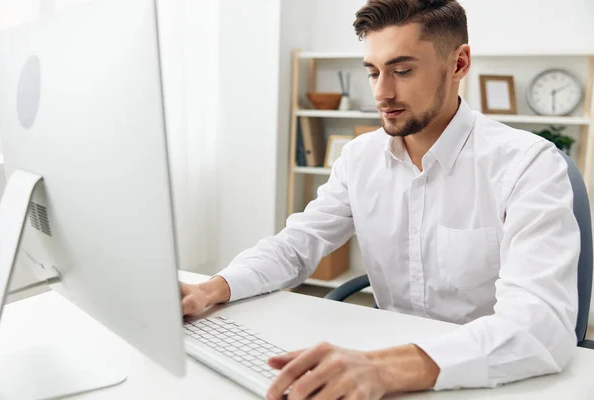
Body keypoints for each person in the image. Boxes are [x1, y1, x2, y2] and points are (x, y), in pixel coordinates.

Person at [180, 0, 580, 398]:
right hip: (382, 366)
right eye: (372, 72)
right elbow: (295, 247)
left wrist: (383, 368)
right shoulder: (360, 158)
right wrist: (211, 289)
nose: (382, 93)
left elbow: (541, 323)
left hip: (490, 374)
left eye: (402, 71)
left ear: (458, 64)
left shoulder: (528, 166)